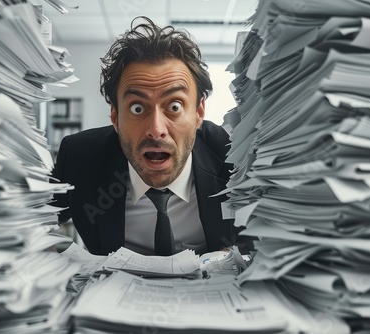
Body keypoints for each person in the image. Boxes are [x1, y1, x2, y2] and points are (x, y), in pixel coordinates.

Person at [52, 16, 248, 256]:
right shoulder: (79, 158)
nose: (156, 130)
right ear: (115, 116)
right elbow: (26, 225)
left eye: (174, 106)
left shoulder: (236, 157)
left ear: (199, 113)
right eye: (137, 108)